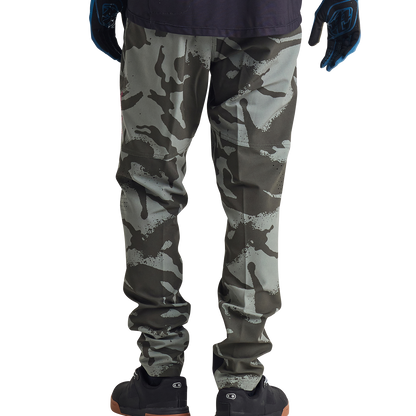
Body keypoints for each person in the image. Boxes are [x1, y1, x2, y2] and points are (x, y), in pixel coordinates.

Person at [87, 1, 363, 416]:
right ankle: (244, 386)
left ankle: (160, 379)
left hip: (165, 16)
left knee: (150, 188)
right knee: (256, 201)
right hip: (267, 18)